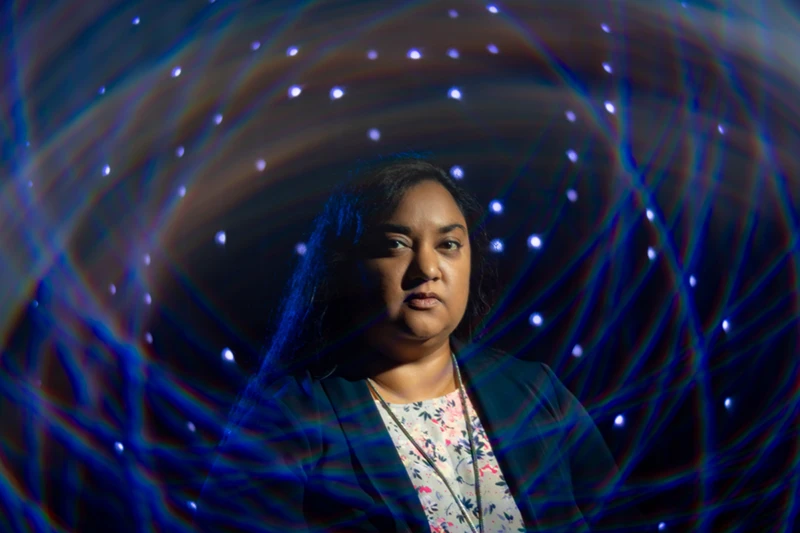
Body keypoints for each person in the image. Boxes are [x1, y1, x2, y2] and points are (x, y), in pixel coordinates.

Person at [194, 154, 645, 532]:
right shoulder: (288, 421)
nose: (426, 267)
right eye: (395, 244)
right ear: (345, 266)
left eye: (448, 244)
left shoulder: (536, 392)